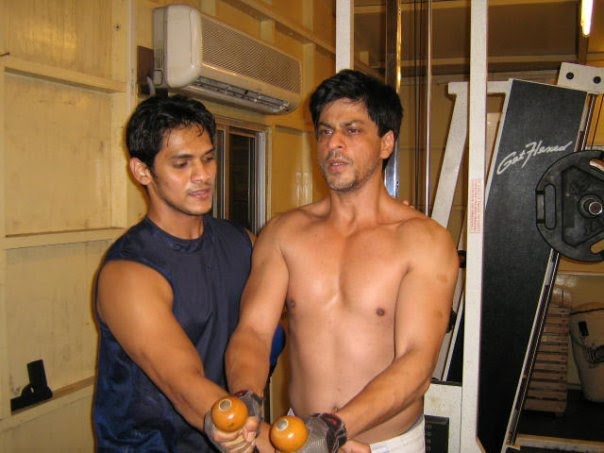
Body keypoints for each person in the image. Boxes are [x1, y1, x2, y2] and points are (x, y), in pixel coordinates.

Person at [224, 69, 459, 452]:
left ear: (386, 143)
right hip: (301, 439)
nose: (333, 143)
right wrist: (245, 400)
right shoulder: (283, 234)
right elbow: (253, 332)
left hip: (383, 445)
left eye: (352, 130)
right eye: (325, 131)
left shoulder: (424, 241)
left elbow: (417, 362)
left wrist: (335, 428)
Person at [93, 94, 265, 452]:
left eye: (208, 158)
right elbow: (183, 383)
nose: (203, 176)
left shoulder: (241, 242)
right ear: (142, 171)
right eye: (182, 164)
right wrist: (247, 432)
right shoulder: (128, 273)